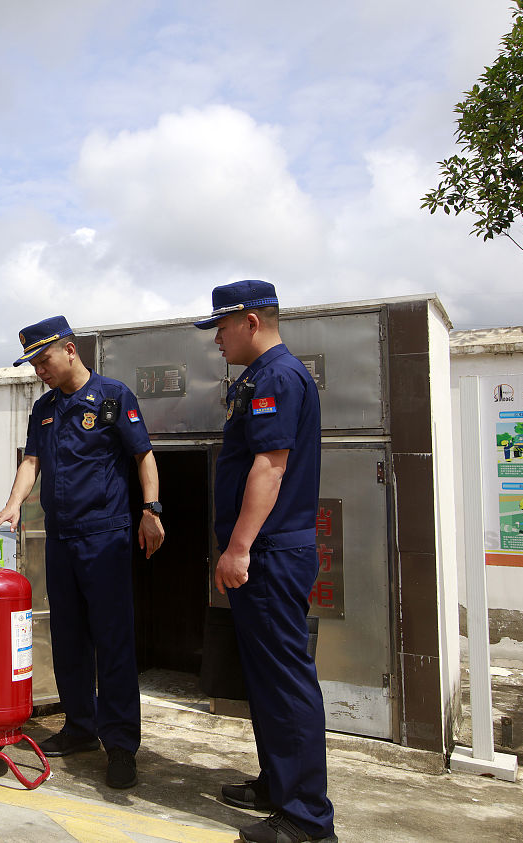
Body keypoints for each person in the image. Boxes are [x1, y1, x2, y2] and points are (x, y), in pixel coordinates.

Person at [0, 315, 164, 790]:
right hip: (61, 537)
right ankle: (81, 726)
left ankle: (121, 744)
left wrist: (151, 509)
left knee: (113, 640)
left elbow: (142, 453)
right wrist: (12, 504)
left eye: (44, 359)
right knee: (67, 637)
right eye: (33, 363)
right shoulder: (44, 408)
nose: (40, 369)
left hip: (105, 535)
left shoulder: (112, 395)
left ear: (70, 349)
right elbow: (31, 461)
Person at [195, 280, 336, 843]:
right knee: (266, 680)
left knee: (285, 682)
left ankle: (305, 819)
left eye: (222, 328)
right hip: (266, 552)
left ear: (251, 322)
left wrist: (238, 548)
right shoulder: (260, 377)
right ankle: (279, 783)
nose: (217, 341)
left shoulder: (277, 376)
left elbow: (269, 468)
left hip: (271, 554)